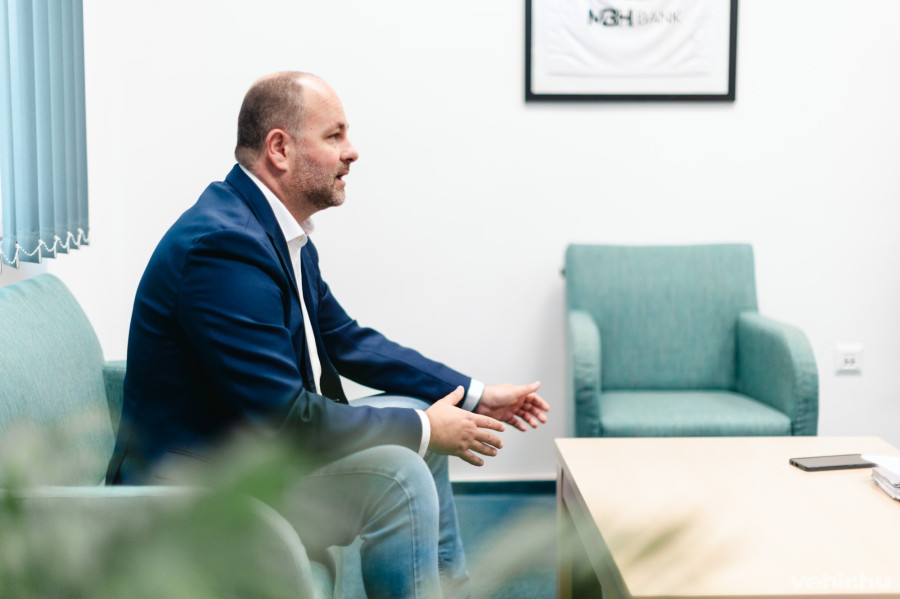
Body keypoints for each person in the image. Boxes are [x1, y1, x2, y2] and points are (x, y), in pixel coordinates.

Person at [106, 71, 549, 598]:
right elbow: (286, 419)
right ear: (280, 149)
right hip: (197, 489)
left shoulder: (273, 230)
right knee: (403, 470)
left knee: (418, 419)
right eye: (335, 135)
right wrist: (424, 427)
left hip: (250, 454)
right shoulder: (223, 249)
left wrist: (475, 394)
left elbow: (347, 341)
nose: (352, 151)